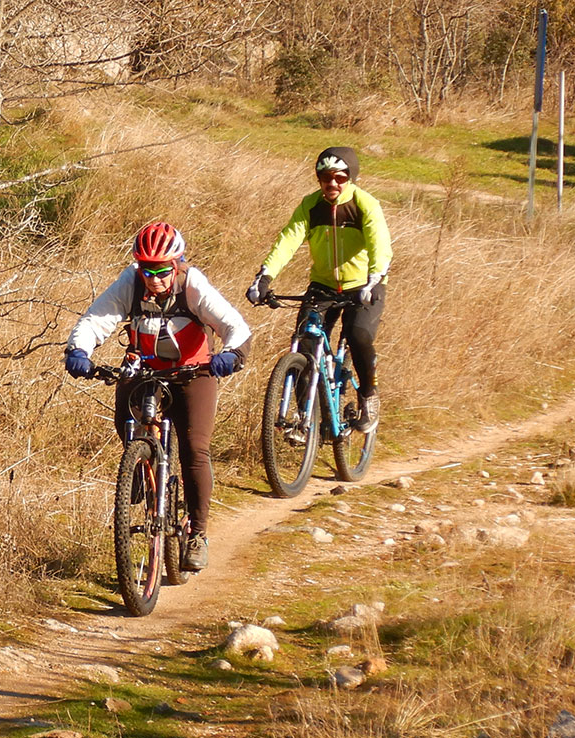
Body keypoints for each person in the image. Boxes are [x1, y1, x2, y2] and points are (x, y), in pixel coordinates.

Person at [63, 221, 251, 572]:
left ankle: (197, 533)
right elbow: (96, 319)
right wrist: (79, 350)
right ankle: (141, 465)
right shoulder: (130, 282)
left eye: (162, 270)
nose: (154, 279)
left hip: (193, 373)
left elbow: (234, 325)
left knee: (195, 449)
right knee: (126, 423)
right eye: (147, 270)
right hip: (144, 369)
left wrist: (232, 354)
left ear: (176, 264)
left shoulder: (192, 284)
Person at [246, 146, 394, 433]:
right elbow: (287, 241)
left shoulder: (365, 205)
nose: (332, 183)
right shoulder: (310, 206)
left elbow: (380, 244)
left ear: (350, 178)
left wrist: (375, 277)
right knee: (306, 343)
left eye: (339, 177)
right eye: (325, 177)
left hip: (364, 285)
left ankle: (367, 396)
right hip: (323, 287)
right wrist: (264, 276)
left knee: (358, 335)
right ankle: (305, 420)